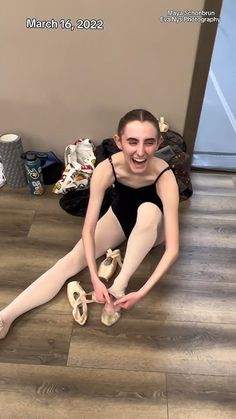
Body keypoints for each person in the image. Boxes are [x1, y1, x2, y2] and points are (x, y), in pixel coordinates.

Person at [0, 109, 179, 338]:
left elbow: (172, 249)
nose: (141, 151)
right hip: (121, 218)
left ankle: (119, 286)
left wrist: (141, 292)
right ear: (119, 141)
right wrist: (94, 277)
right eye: (132, 142)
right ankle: (6, 317)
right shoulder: (106, 169)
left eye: (149, 142)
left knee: (148, 211)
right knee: (70, 262)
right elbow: (89, 228)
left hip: (154, 228)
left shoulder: (165, 176)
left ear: (159, 142)